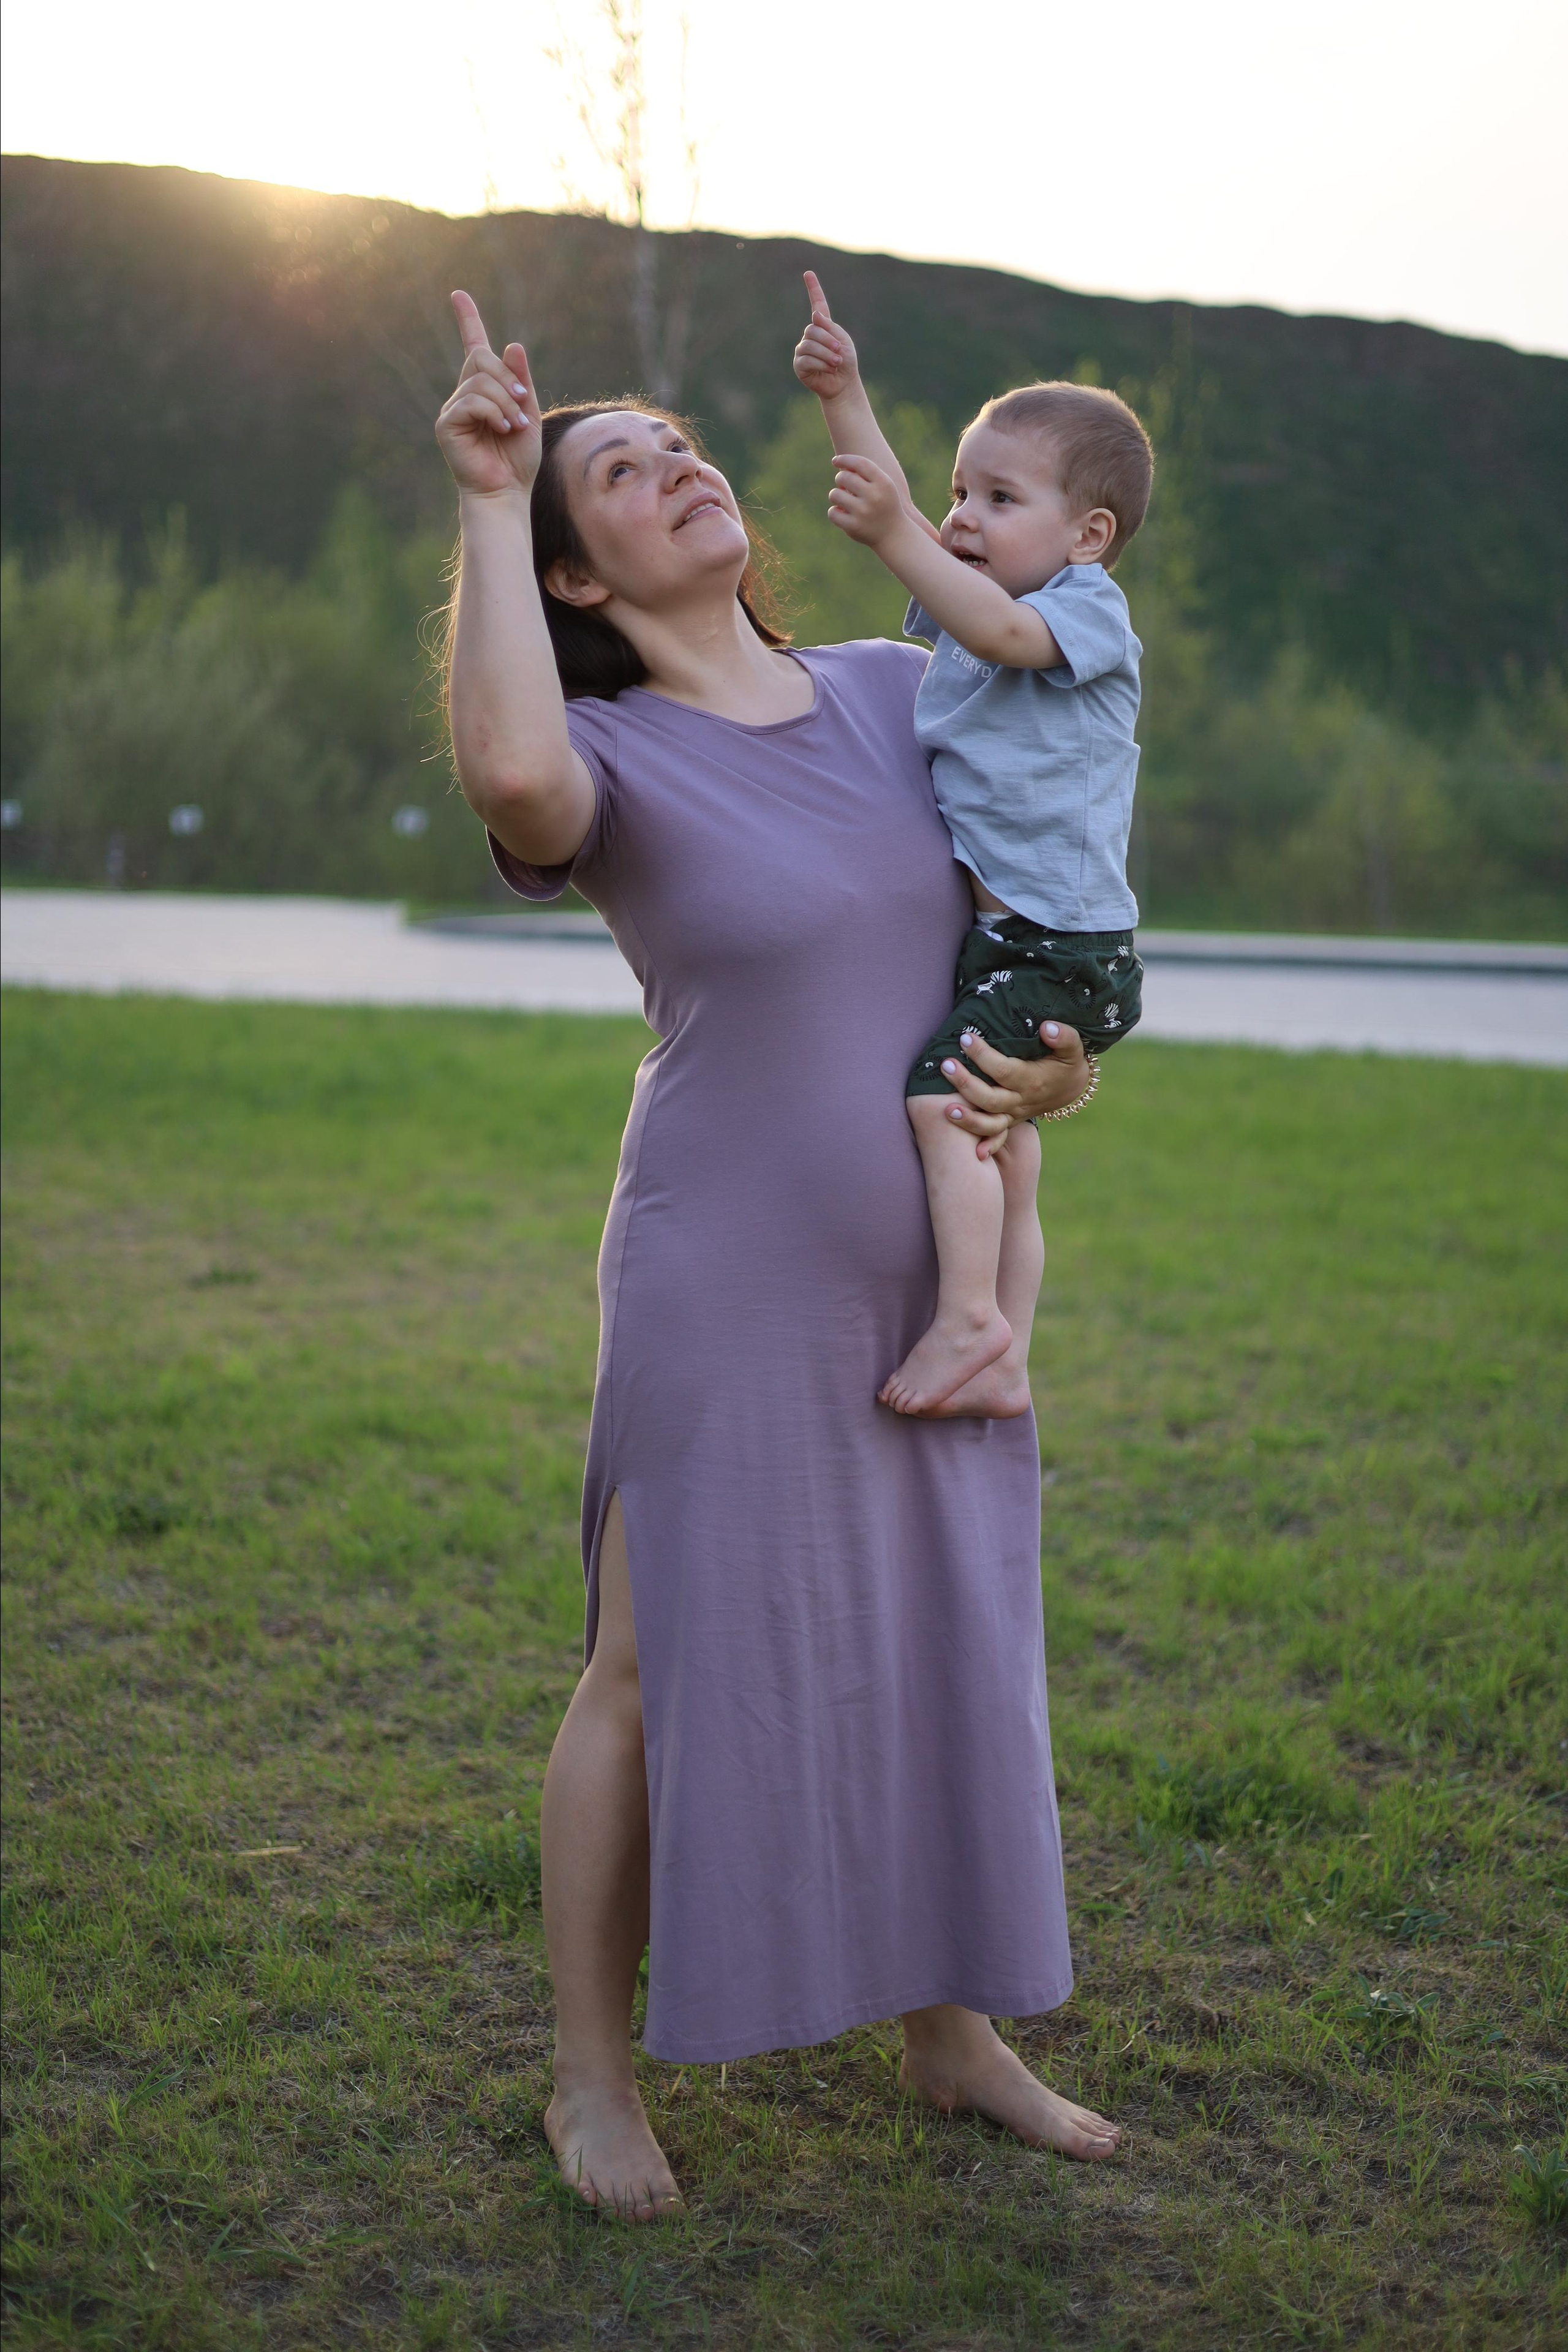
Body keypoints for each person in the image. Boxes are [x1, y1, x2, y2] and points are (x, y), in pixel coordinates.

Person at [435, 289, 1123, 2222]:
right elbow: (502, 782)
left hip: (940, 1266)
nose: (678, 461)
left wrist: (1058, 1071)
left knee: (943, 1634)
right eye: (618, 469)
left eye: (676, 432)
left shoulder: (910, 694)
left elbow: (1034, 918)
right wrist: (489, 499)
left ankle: (951, 2025)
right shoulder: (602, 750)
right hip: (723, 1261)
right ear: (582, 562)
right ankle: (590, 2078)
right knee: (648, 1671)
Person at [794, 274, 1152, 1417]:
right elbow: (920, 547)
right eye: (958, 490)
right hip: (1028, 940)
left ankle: (966, 1325)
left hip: (1056, 942)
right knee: (1007, 1147)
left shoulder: (1084, 607)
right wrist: (845, 398)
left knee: (944, 1106)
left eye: (999, 497)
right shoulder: (978, 601)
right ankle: (1009, 1352)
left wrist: (902, 529)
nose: (960, 516)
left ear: (1086, 536)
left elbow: (993, 622)